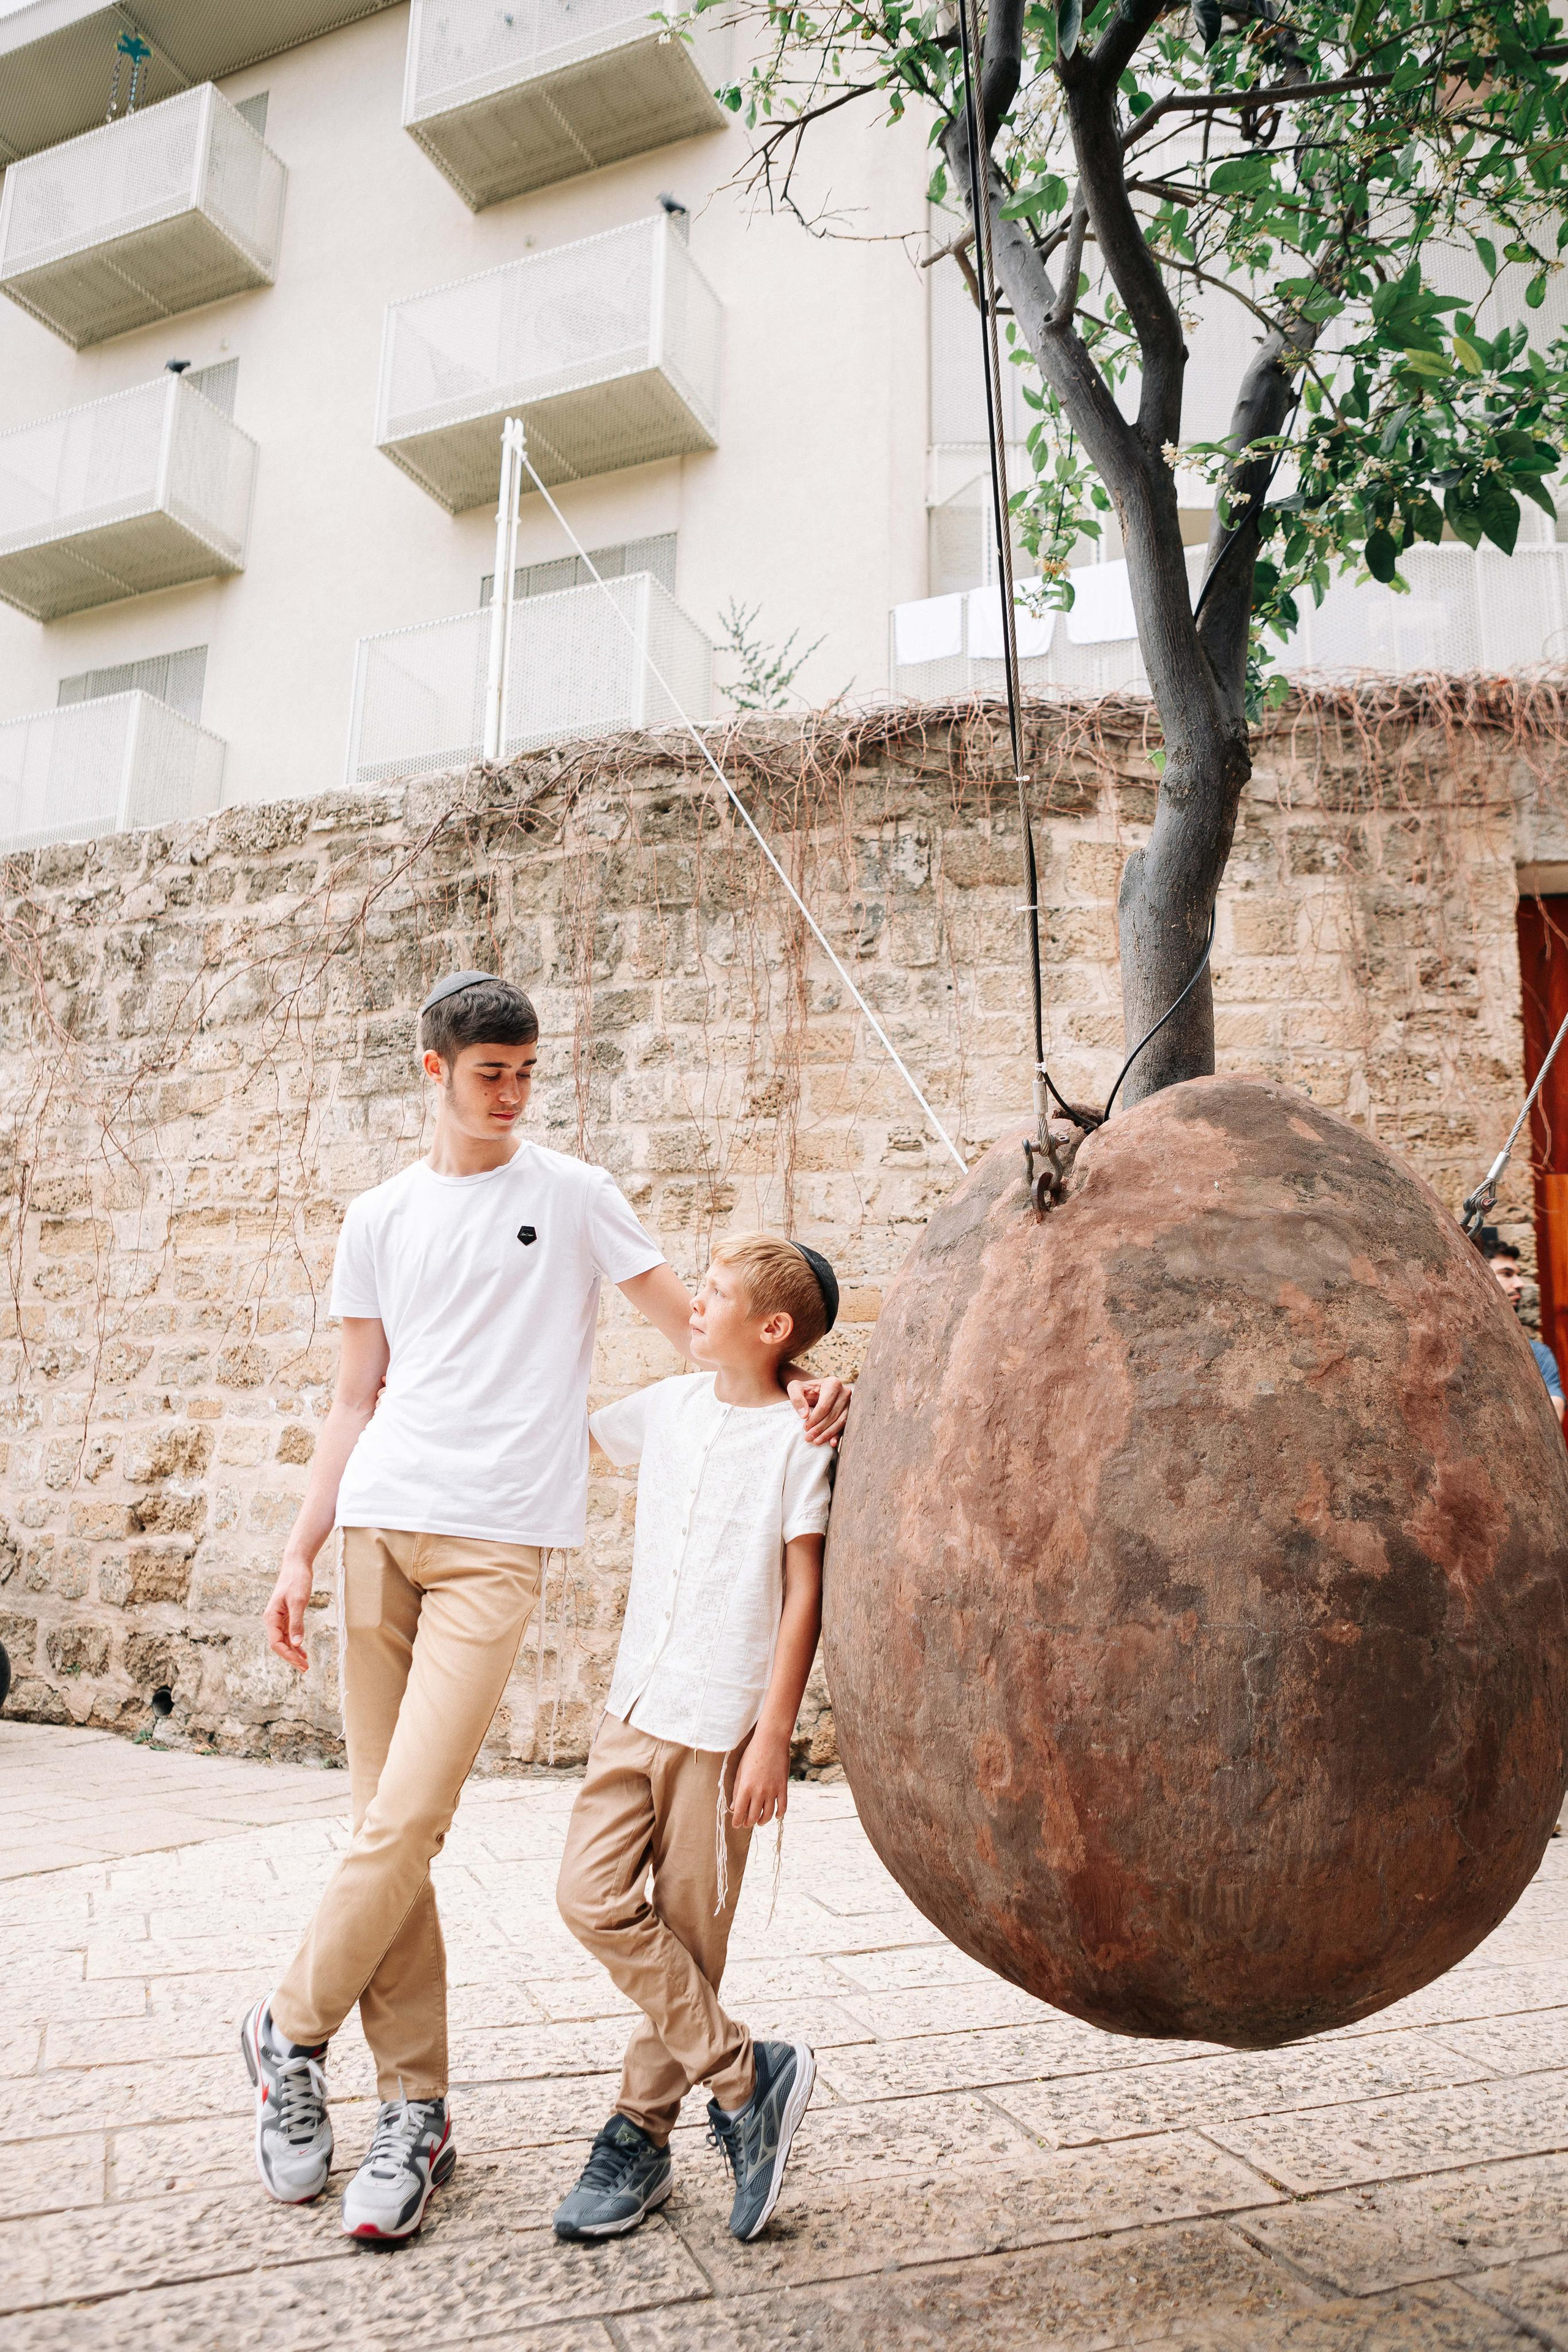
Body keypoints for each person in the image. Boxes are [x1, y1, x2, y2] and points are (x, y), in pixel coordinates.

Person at [240, 974, 846, 2244]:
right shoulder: (378, 1216)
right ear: (433, 1071)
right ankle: (414, 2110)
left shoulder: (571, 1197)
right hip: (373, 1529)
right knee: (381, 1831)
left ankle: (286, 2027)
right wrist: (301, 1548)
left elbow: (700, 1320)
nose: (513, 1095)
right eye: (490, 1075)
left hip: (495, 1546)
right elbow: (356, 1397)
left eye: (525, 1072)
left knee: (408, 1817)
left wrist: (803, 1381)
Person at [552, 1232, 837, 2247]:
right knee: (586, 1897)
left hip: (722, 1729)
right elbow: (565, 1433)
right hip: (634, 1704)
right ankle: (749, 2075)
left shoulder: (803, 1441)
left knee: (691, 1936)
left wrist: (774, 1736)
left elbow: (804, 1593)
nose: (694, 1305)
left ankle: (638, 2135)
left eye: (713, 1294)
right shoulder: (668, 1408)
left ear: (770, 1329)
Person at [1476, 1229, 1565, 1423]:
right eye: (1507, 1274)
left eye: (1518, 1275)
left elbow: (1552, 1416)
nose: (1520, 1284)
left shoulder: (1538, 1354)